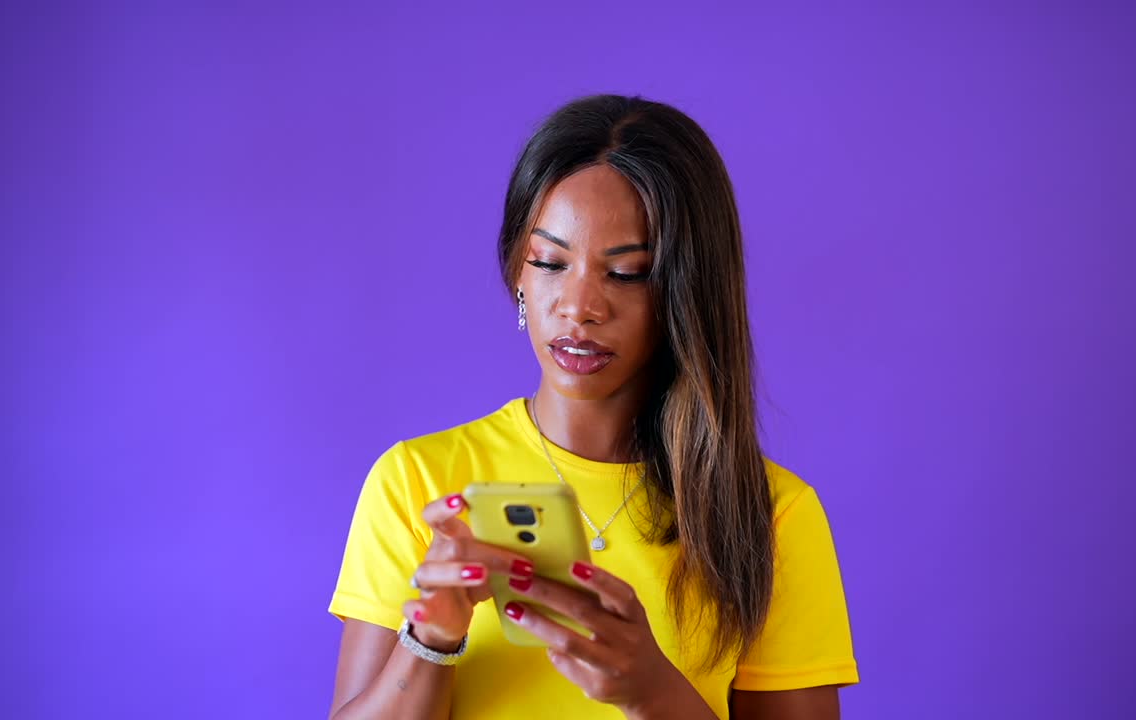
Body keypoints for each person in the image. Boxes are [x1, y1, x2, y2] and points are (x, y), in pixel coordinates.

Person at [327, 94, 859, 720]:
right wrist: (430, 641)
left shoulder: (770, 516)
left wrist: (652, 690)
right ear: (517, 273)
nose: (578, 306)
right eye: (550, 261)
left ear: (687, 294)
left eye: (627, 273)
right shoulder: (417, 483)